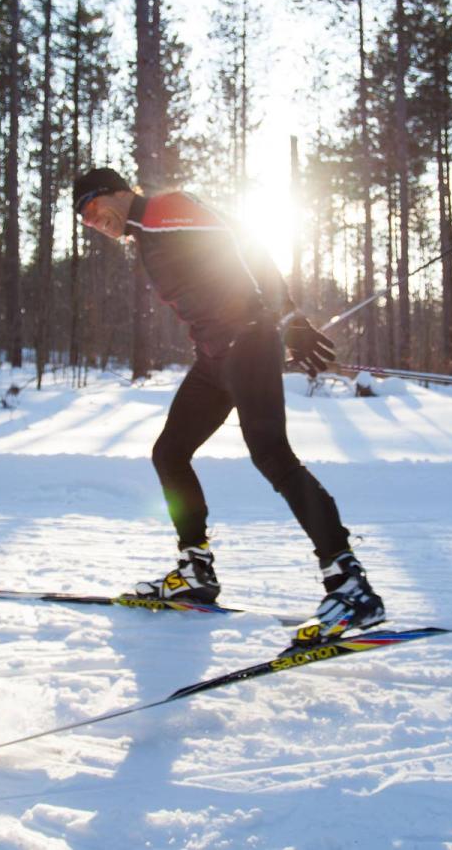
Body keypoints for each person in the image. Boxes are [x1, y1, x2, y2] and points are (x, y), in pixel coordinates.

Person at [71, 167, 386, 647]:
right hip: (216, 357)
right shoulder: (145, 234)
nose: (94, 223)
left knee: (271, 455)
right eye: (85, 221)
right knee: (169, 452)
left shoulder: (164, 210)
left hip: (247, 342)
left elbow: (247, 245)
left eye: (92, 210)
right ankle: (196, 569)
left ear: (117, 192)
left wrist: (289, 318)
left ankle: (349, 584)